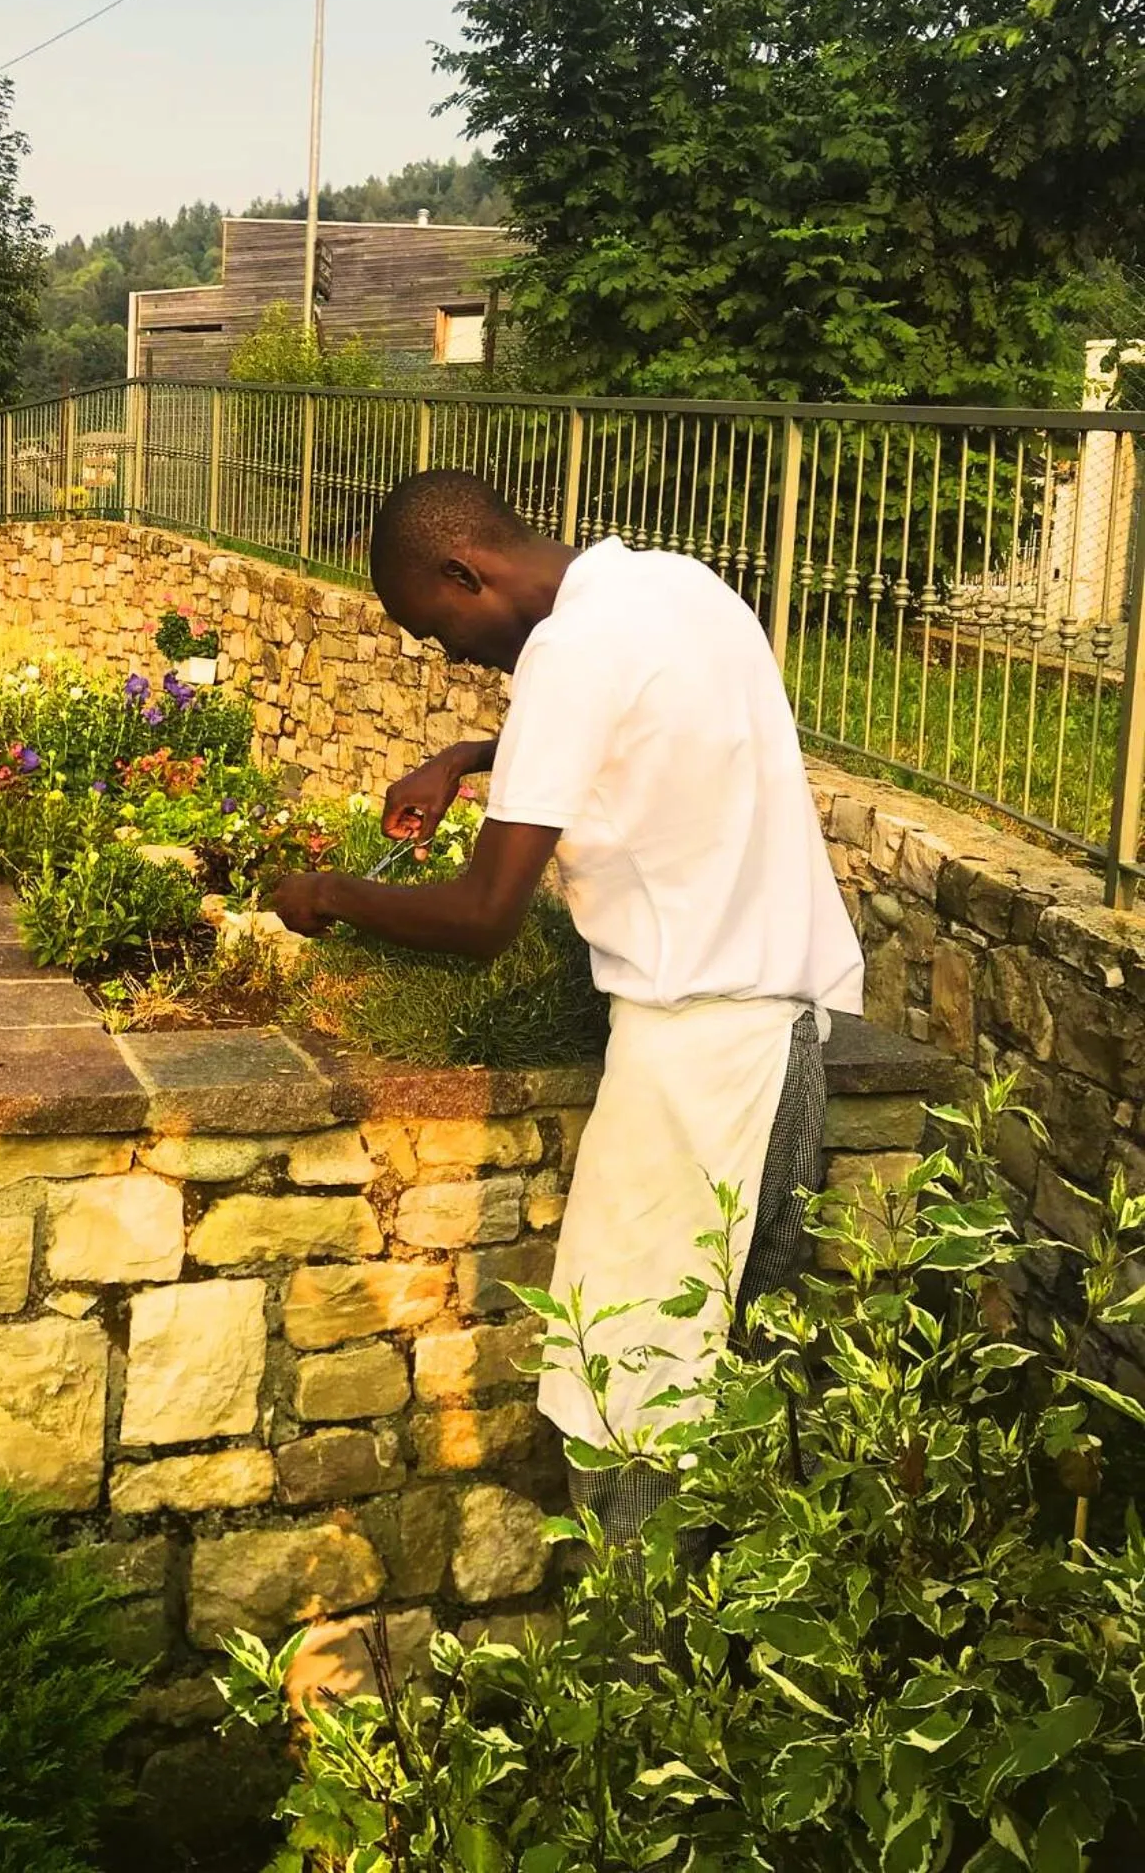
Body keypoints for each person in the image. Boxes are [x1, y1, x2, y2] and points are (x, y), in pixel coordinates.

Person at [271, 468, 863, 1551]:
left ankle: (646, 1673)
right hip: (789, 1036)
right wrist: (470, 755)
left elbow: (484, 914)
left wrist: (329, 896)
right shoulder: (676, 586)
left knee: (628, 1390)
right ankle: (762, 1671)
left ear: (465, 567)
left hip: (693, 1059)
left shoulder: (567, 653)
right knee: (746, 1371)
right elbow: (650, 724)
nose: (449, 655)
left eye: (436, 627)